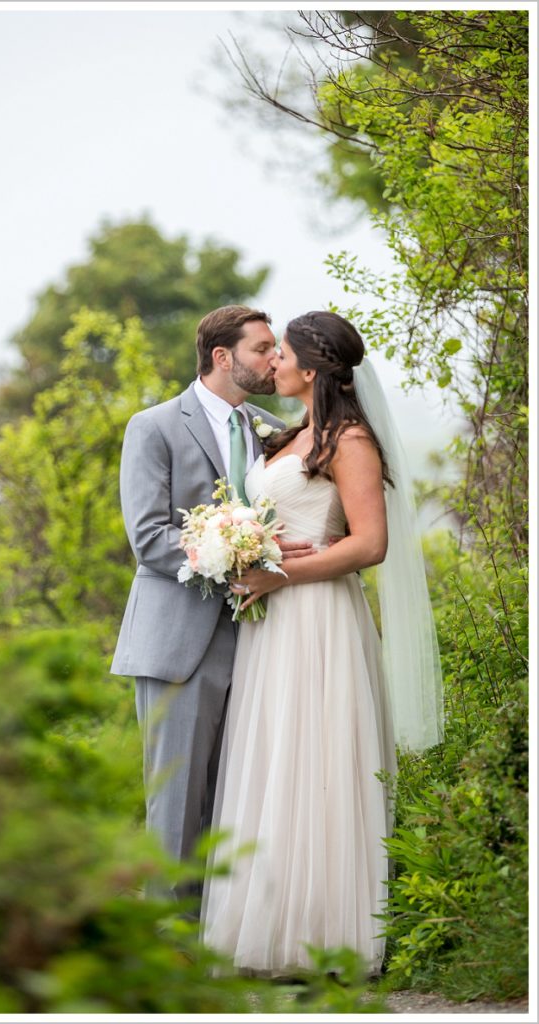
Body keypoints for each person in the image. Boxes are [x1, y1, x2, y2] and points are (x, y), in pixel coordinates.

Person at [200, 310, 443, 975]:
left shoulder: (350, 439)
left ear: (309, 369)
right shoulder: (290, 436)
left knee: (319, 763)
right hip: (274, 624)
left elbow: (370, 543)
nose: (271, 362)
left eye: (280, 353)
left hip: (319, 620)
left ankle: (326, 935)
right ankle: (269, 927)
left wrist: (279, 573)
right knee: (276, 761)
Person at [111, 305, 313, 900]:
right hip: (178, 639)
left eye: (276, 349)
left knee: (238, 795)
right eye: (262, 349)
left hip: (260, 635)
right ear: (222, 357)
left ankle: (223, 936)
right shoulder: (153, 427)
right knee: (175, 802)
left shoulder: (270, 427)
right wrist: (234, 555)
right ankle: (166, 946)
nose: (274, 359)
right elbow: (149, 539)